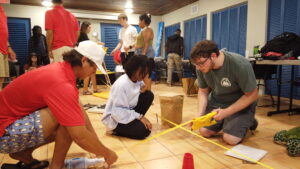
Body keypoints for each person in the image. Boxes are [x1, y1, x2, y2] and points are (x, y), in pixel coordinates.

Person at [0, 41, 118, 169]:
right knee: (69, 120)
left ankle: (23, 153)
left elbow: (82, 117)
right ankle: (56, 165)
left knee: (73, 110)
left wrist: (98, 148)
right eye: (94, 67)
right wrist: (108, 153)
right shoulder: (61, 83)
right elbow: (79, 136)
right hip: (4, 133)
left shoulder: (60, 69)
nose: (94, 72)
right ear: (84, 60)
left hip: (9, 126)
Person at [190, 40, 258, 145]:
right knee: (204, 131)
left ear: (213, 56)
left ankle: (248, 120)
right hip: (218, 103)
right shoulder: (201, 67)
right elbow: (203, 91)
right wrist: (199, 115)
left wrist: (226, 112)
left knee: (230, 139)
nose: (198, 67)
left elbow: (252, 95)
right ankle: (228, 122)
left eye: (201, 63)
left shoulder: (240, 64)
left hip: (240, 105)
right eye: (196, 64)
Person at [102, 55, 154, 140]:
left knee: (148, 95)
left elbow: (143, 90)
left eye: (146, 72)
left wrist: (145, 86)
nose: (144, 75)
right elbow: (117, 112)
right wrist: (140, 116)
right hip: (115, 118)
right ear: (134, 68)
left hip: (127, 111)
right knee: (143, 131)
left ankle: (134, 123)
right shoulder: (122, 84)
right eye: (143, 72)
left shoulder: (137, 80)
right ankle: (115, 130)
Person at [78, 21, 99, 95]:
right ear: (86, 27)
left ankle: (95, 88)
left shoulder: (83, 35)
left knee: (93, 72)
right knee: (87, 72)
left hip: (85, 56)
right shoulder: (82, 34)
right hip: (83, 56)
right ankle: (85, 90)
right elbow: (86, 46)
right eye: (89, 27)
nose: (90, 29)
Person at [0, 5, 16, 91]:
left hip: (4, 50)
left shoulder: (2, 11)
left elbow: (3, 33)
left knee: (2, 76)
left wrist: (9, 48)